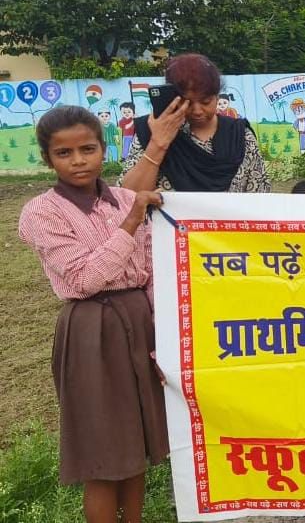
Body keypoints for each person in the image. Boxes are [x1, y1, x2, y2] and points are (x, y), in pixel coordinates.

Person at [18, 106, 168, 523]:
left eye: (87, 149)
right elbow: (84, 279)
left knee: (136, 447)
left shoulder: (124, 198)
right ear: (48, 159)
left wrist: (163, 336)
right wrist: (132, 222)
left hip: (139, 320)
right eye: (63, 153)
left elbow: (151, 268)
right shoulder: (41, 213)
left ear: (104, 149)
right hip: (90, 329)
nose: (78, 161)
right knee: (103, 455)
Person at [120, 53, 270, 192]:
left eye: (206, 101)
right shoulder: (150, 131)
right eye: (188, 103)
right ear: (173, 98)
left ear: (217, 97)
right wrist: (158, 144)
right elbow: (129, 196)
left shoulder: (240, 136)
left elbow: (260, 198)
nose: (197, 111)